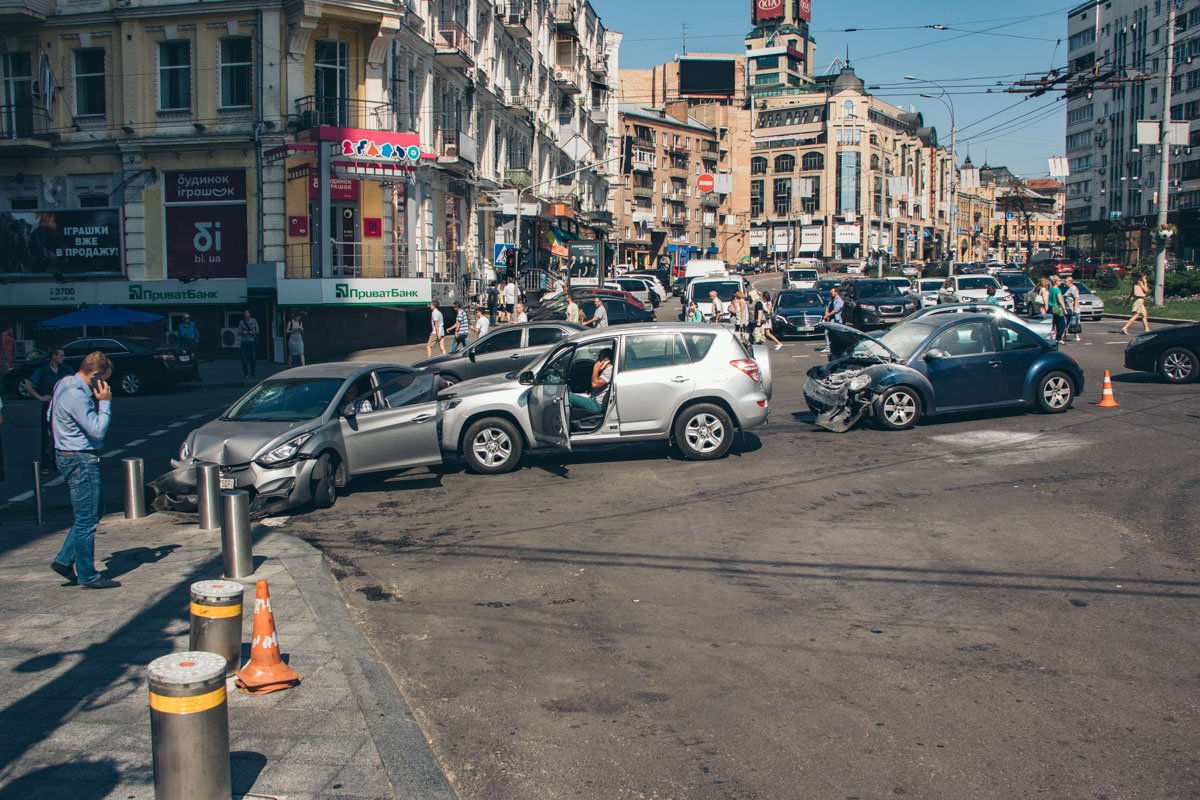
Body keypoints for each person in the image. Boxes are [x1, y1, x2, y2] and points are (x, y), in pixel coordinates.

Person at [50, 351, 119, 589]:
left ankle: (64, 560)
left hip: (67, 453)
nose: (105, 385)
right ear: (96, 374)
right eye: (104, 379)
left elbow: (50, 415)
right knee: (86, 520)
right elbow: (97, 430)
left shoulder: (64, 383)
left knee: (95, 510)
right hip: (80, 459)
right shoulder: (77, 395)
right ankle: (88, 575)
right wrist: (105, 402)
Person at [23, 346, 74, 474]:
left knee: (63, 433)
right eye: (60, 355)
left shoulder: (66, 369)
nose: (63, 358)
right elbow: (28, 385)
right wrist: (40, 397)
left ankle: (58, 462)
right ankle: (45, 464)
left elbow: (75, 382)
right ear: (54, 356)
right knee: (47, 434)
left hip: (63, 405)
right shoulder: (43, 370)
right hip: (49, 405)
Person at [568, 348, 614, 415]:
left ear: (606, 359)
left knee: (566, 396)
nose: (597, 360)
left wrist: (595, 368)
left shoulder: (609, 371)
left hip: (597, 405)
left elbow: (594, 384)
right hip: (592, 398)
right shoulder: (607, 370)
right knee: (569, 394)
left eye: (599, 358)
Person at [237, 309, 259, 382]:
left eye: (247, 314)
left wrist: (253, 332)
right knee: (244, 358)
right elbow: (239, 332)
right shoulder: (241, 322)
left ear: (250, 314)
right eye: (245, 314)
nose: (246, 316)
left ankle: (252, 372)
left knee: (253, 357)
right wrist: (244, 332)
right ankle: (245, 373)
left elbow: (258, 331)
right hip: (244, 341)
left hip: (252, 341)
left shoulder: (254, 321)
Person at [1048, 275, 1068, 343]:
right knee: (1062, 324)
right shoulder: (1057, 290)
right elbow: (1060, 300)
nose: (1060, 282)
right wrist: (1064, 309)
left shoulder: (1051, 290)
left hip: (1051, 308)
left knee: (1055, 323)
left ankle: (1053, 336)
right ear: (1056, 282)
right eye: (1059, 281)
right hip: (1057, 308)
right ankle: (1058, 338)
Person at [1064, 277, 1083, 342]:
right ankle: (1064, 335)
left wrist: (1075, 308)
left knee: (1074, 322)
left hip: (1073, 308)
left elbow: (1076, 298)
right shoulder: (1070, 289)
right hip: (1069, 308)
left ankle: (1076, 335)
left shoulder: (1074, 288)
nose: (1065, 283)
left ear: (1070, 282)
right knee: (1067, 322)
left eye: (1066, 281)